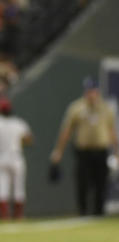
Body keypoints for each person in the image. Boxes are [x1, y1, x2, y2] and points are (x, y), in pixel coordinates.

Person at [50, 77, 119, 216]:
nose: (90, 94)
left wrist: (117, 151)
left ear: (97, 91)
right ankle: (83, 212)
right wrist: (58, 151)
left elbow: (112, 132)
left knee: (101, 183)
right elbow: (67, 131)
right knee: (83, 183)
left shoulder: (106, 108)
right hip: (83, 151)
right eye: (88, 91)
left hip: (101, 151)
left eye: (93, 90)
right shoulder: (76, 107)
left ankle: (98, 213)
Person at [0, 96, 33, 219]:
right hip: (14, 156)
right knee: (18, 188)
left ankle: (5, 216)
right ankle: (18, 216)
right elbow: (29, 139)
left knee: (2, 188)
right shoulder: (18, 122)